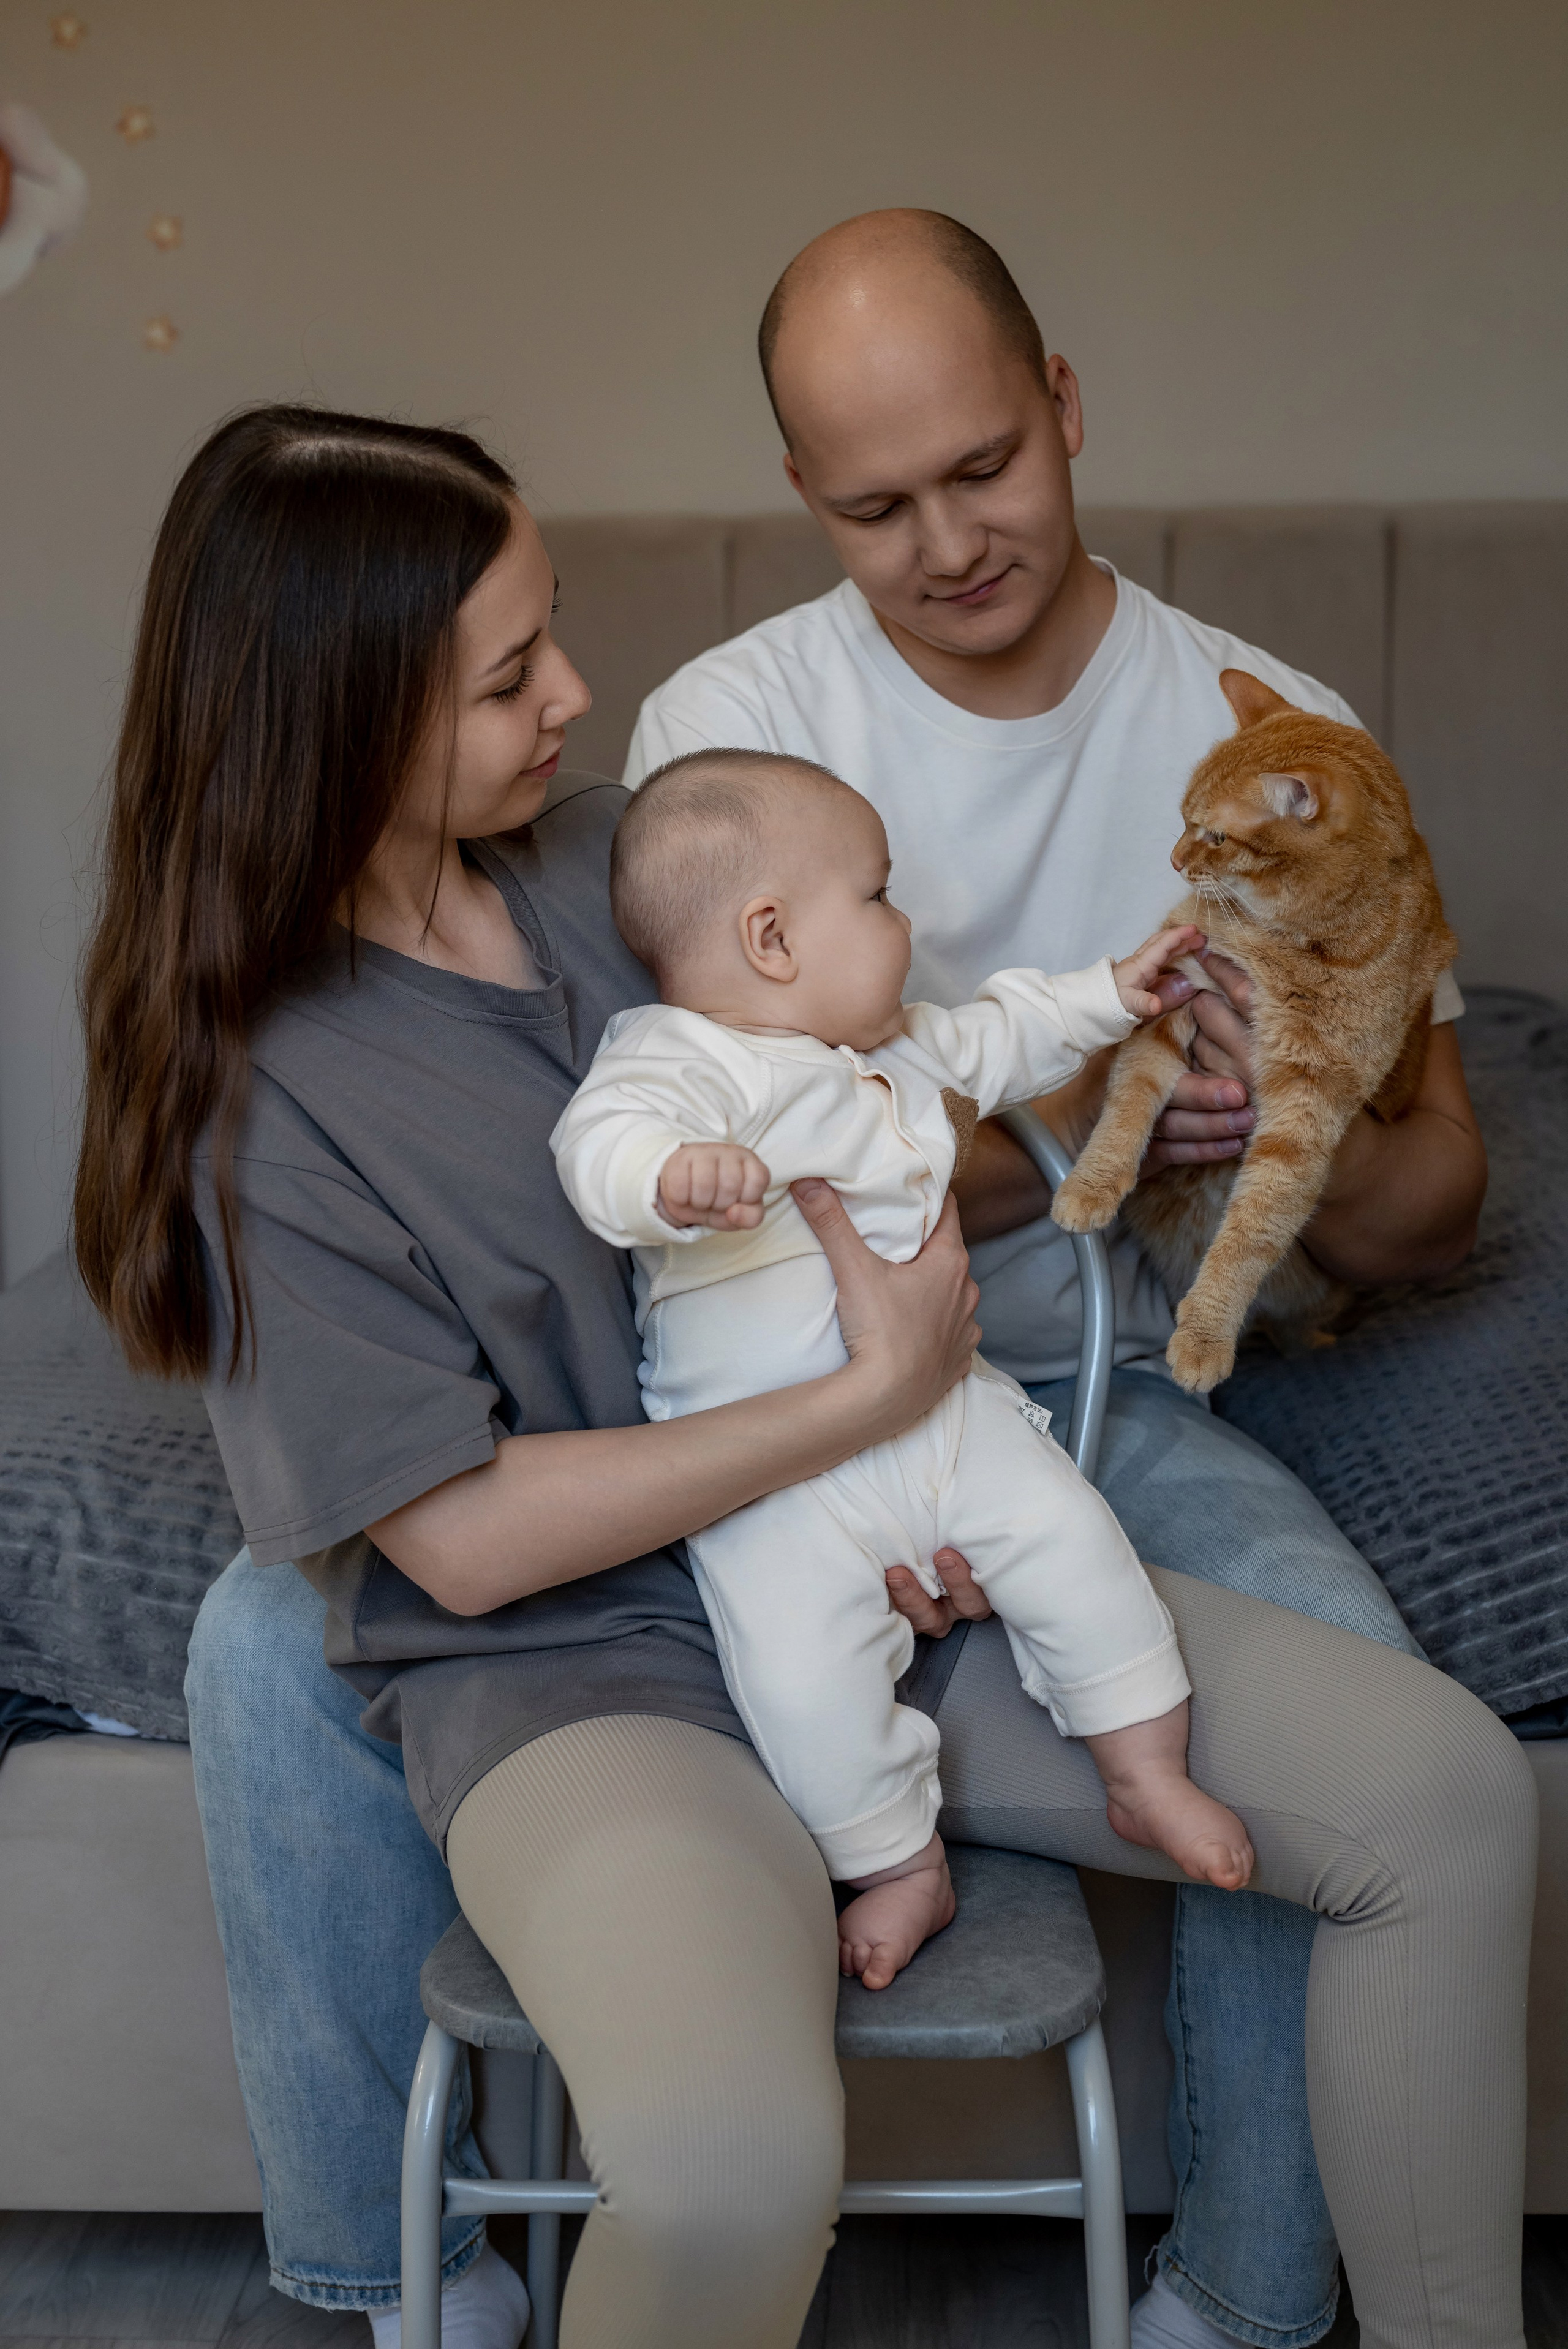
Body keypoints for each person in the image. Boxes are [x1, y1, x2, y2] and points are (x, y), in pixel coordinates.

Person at [101, 403, 1532, 2349]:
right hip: (591, 1672)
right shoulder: (267, 1098)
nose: (577, 695)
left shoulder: (619, 865)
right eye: (512, 676)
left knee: (1445, 1799)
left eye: (551, 631)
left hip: (906, 1576)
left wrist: (1039, 1217)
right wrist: (855, 1413)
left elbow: (910, 1101)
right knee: (725, 2171)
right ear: (340, 722)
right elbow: (463, 1543)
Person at [622, 208, 1494, 2349]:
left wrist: (1295, 1128)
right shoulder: (729, 736)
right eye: (872, 507)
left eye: (985, 467)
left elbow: (1439, 1213)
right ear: (802, 493)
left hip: (1138, 1394)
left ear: (1068, 405)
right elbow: (712, 1191)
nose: (946, 546)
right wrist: (1065, 1139)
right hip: (810, 1403)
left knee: (1353, 1710)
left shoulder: (1276, 726)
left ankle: (1242, 2302)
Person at [554, 747, 1251, 1991]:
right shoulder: (681, 1061)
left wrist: (1114, 992)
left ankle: (1143, 1772)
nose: (905, 922)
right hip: (768, 1473)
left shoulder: (900, 1050)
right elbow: (594, 1141)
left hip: (946, 1416)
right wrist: (665, 1175)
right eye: (877, 896)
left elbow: (1009, 1031)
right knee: (797, 1679)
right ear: (771, 938)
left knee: (1075, 1546)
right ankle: (895, 1861)